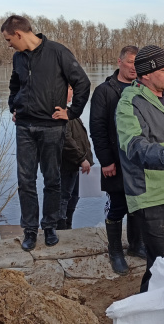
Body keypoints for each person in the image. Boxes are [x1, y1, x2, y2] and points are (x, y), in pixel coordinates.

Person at [2, 15, 91, 251]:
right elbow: (14, 84)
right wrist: (14, 105)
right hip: (24, 128)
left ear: (19, 34)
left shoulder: (57, 52)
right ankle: (30, 231)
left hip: (52, 127)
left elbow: (82, 82)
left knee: (52, 180)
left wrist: (72, 113)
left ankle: (50, 226)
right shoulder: (18, 58)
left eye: (9, 39)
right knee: (25, 181)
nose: (9, 44)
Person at [115, 45, 164, 292]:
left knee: (159, 266)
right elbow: (134, 145)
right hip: (153, 198)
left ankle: (143, 309)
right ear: (147, 74)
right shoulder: (130, 103)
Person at [89, 45, 145, 275]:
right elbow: (97, 128)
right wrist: (105, 161)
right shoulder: (105, 91)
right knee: (117, 205)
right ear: (120, 62)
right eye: (130, 62)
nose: (134, 67)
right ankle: (115, 250)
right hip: (115, 160)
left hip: (137, 160)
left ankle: (136, 244)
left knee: (137, 205)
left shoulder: (143, 89)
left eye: (137, 63)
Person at [55, 86, 94, 230]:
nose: (72, 92)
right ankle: (60, 230)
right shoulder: (58, 112)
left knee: (73, 198)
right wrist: (81, 159)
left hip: (74, 165)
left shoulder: (69, 111)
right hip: (66, 164)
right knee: (63, 198)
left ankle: (67, 226)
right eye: (70, 88)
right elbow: (65, 140)